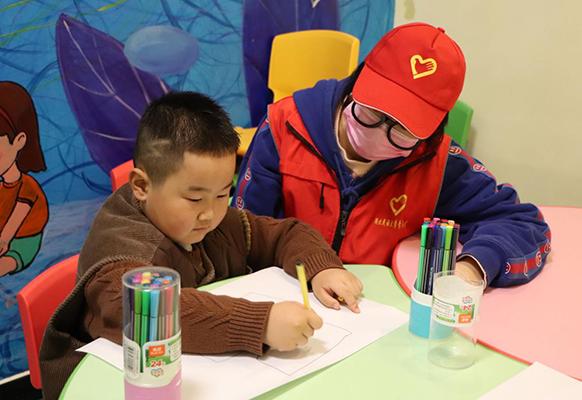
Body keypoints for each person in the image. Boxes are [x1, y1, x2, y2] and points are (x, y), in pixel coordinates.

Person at [39, 91, 362, 400]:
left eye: (223, 194)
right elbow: (152, 310)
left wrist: (321, 267)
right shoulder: (122, 251)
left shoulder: (214, 222)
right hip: (111, 385)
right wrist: (262, 324)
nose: (210, 213)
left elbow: (285, 233)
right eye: (195, 198)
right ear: (141, 186)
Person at [232, 22, 551, 288]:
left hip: (377, 314)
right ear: (357, 81)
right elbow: (243, 235)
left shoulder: (437, 161)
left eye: (404, 129)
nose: (381, 134)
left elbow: (520, 222)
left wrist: (474, 267)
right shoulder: (284, 128)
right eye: (373, 113)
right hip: (289, 299)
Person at [0, 81, 48, 278]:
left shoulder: (28, 187)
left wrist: (3, 240)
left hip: (23, 241)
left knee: (6, 262)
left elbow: (16, 219)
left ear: (19, 140)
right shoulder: (3, 187)